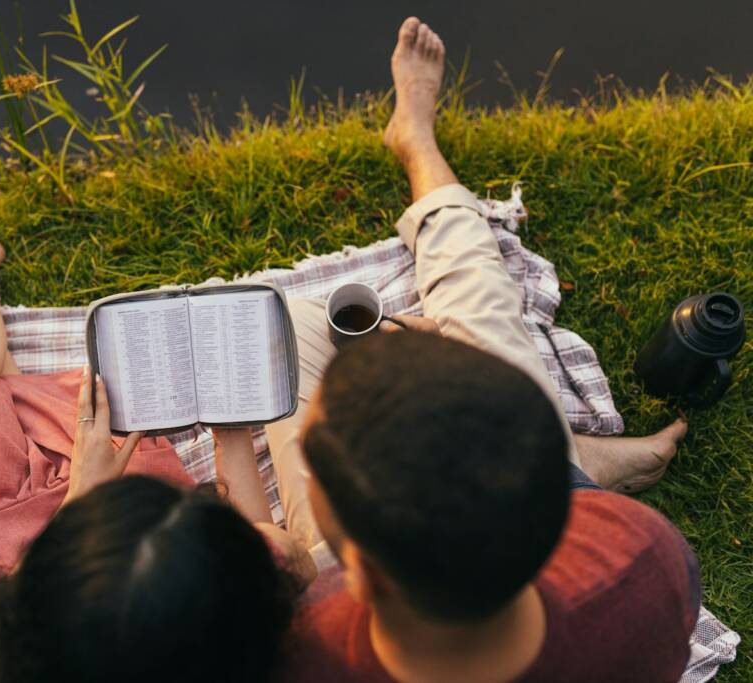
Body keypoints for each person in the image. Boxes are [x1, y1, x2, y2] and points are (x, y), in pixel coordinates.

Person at [268, 18, 701, 682]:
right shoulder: (644, 562)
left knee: (286, 328)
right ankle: (417, 145)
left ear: (359, 571)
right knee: (482, 302)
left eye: (316, 459)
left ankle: (579, 459)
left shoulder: (312, 642)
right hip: (562, 491)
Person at [0, 176, 314, 683]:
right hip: (109, 504)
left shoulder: (27, 651)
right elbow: (271, 548)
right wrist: (232, 433)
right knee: (7, 395)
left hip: (8, 549)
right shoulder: (244, 628)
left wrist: (82, 494)